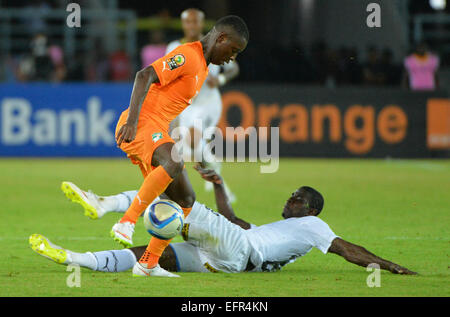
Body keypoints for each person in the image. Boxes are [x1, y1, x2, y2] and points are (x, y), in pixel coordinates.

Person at [32, 164, 416, 277]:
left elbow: (346, 249)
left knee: (177, 199)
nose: (290, 198)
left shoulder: (315, 227)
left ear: (311, 209)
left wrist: (387, 265)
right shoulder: (282, 232)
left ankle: (106, 204)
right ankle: (74, 259)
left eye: (297, 197)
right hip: (232, 259)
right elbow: (231, 219)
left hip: (238, 249)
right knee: (149, 254)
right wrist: (217, 184)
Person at [110, 15, 249, 277]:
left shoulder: (204, 68)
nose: (231, 58)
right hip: (140, 125)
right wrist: (132, 120)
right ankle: (126, 222)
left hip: (157, 129)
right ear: (220, 38)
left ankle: (148, 263)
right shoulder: (187, 55)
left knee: (185, 198)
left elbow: (169, 103)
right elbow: (145, 75)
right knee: (174, 162)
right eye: (232, 51)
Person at [167, 9, 240, 202]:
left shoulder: (215, 43)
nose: (192, 26)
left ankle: (214, 173)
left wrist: (221, 79)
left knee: (192, 138)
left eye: (195, 22)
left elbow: (233, 68)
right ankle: (216, 175)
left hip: (209, 102)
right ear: (183, 25)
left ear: (201, 24)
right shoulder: (174, 47)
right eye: (188, 22)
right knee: (192, 146)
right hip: (188, 104)